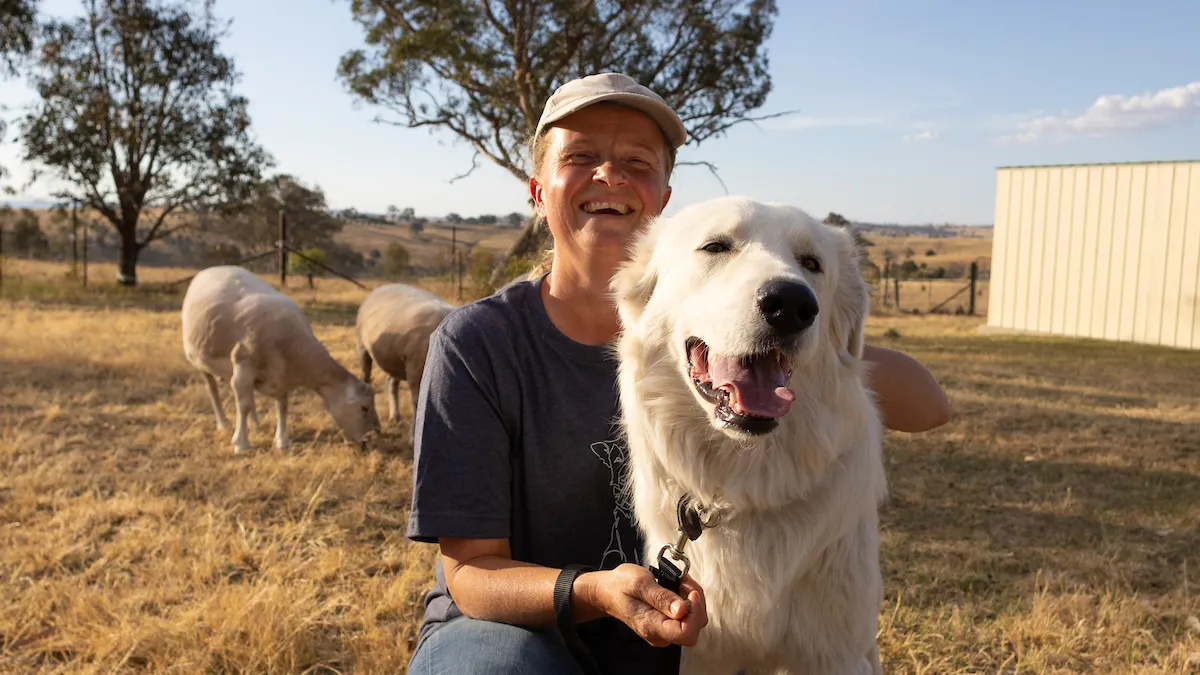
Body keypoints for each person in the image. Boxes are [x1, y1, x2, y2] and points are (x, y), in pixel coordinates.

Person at [404, 72, 951, 675]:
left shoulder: (766, 348)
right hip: (523, 633)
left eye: (637, 161)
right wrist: (593, 592)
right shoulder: (479, 343)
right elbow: (471, 574)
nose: (609, 175)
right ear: (537, 189)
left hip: (664, 650)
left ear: (662, 200)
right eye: (581, 156)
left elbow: (929, 406)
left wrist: (807, 337)